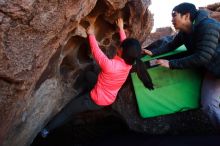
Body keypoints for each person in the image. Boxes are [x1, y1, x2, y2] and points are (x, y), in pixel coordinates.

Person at [40, 18, 154, 138]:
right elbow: (126, 45)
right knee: (89, 75)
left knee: (69, 110)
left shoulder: (110, 66)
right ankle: (87, 91)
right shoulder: (129, 63)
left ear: (121, 51)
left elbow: (96, 52)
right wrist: (120, 28)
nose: (120, 45)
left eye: (121, 46)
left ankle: (46, 131)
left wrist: (90, 34)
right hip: (108, 96)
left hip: (95, 100)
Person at [143, 2, 220, 129]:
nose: (172, 19)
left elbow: (202, 57)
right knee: (209, 105)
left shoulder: (208, 27)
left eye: (174, 15)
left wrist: (171, 64)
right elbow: (171, 45)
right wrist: (152, 52)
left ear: (186, 16)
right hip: (213, 70)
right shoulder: (185, 32)